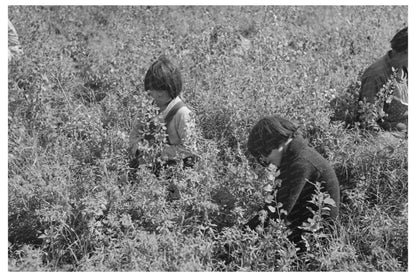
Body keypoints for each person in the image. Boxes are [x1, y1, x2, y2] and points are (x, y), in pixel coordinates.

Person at [245, 116, 340, 253]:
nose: (266, 162)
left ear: (272, 146)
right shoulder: (299, 156)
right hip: (311, 236)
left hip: (315, 247)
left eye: (263, 157)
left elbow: (276, 213)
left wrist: (236, 238)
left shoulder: (300, 164)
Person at [128, 55, 198, 200]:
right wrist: (140, 151)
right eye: (154, 89)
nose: (158, 93)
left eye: (163, 89)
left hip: (175, 167)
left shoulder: (183, 113)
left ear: (173, 87)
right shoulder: (145, 109)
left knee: (172, 199)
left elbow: (190, 149)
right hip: (147, 163)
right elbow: (134, 136)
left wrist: (158, 152)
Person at [359, 27, 408, 132]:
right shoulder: (376, 75)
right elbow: (368, 122)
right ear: (406, 51)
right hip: (392, 137)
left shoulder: (404, 67)